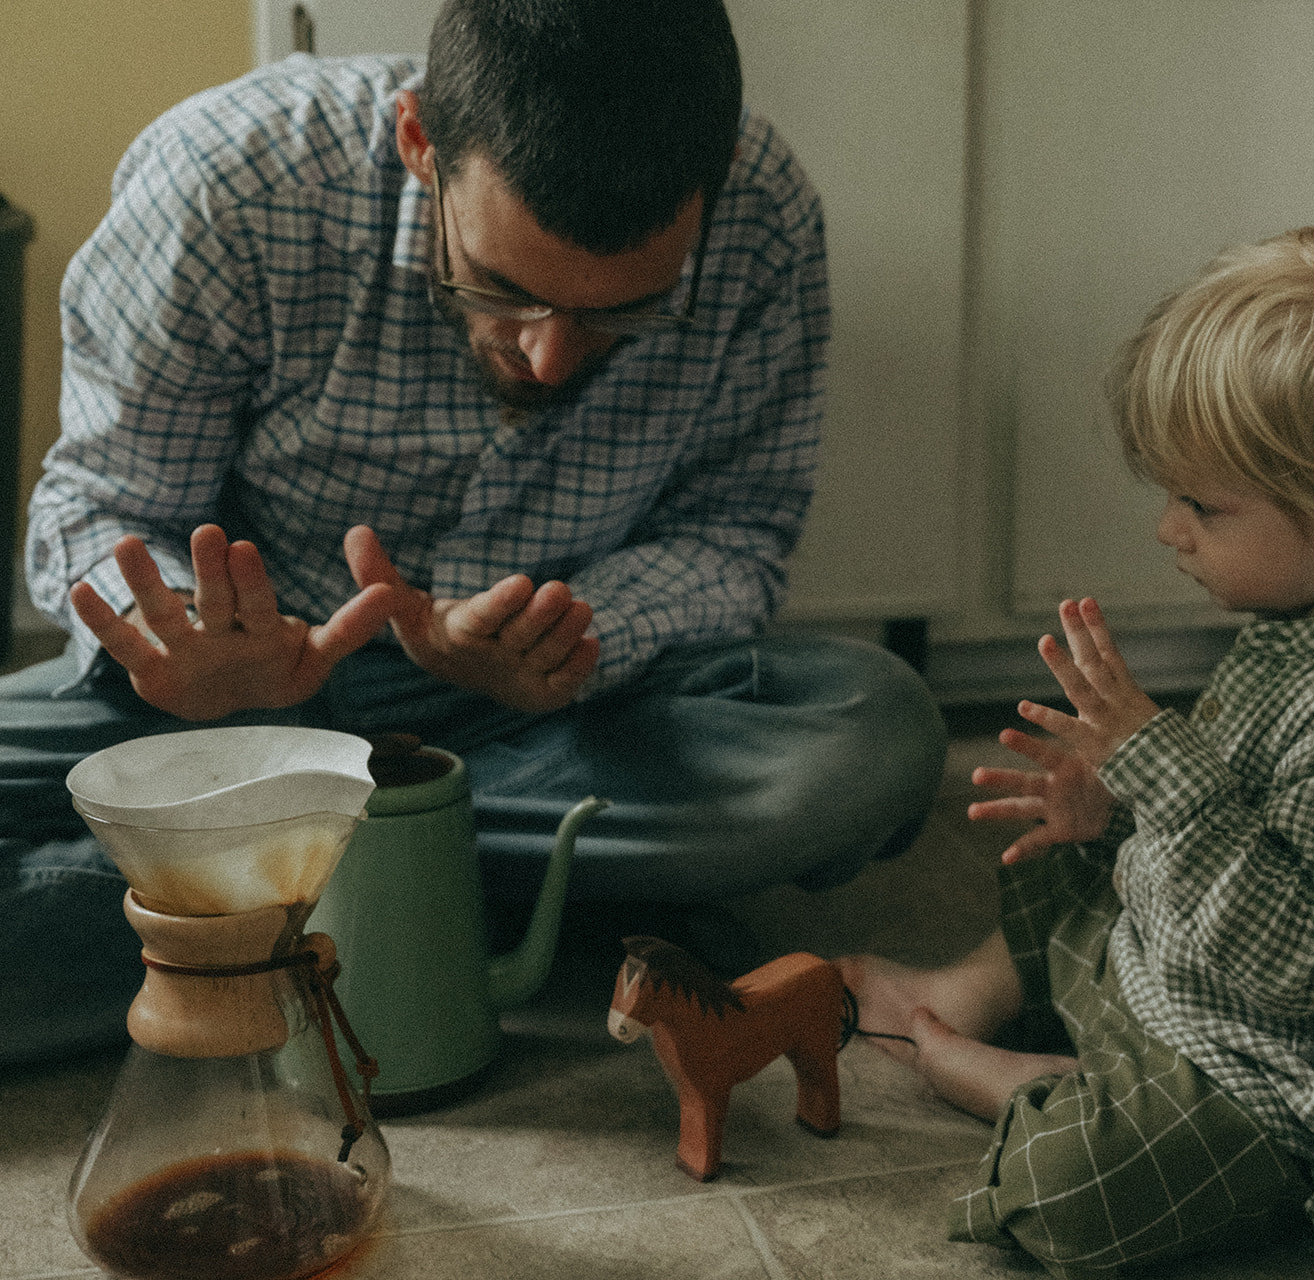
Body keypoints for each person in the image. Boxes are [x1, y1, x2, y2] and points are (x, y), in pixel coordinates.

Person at [0, 0, 946, 1066]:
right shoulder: (229, 183)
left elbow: (737, 529)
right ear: (419, 143)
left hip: (525, 729)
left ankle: (235, 906)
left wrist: (577, 638)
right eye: (501, 287)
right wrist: (177, 639)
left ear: (714, 176)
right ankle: (441, 902)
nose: (550, 359)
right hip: (226, 711)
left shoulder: (763, 214)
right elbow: (105, 501)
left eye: (619, 312)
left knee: (874, 735)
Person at [841, 226, 1314, 1273]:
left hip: (1298, 1088)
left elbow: (1294, 962)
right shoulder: (1307, 620)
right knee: (1071, 852)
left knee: (1076, 1189)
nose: (1169, 530)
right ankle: (970, 991)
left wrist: (1165, 768)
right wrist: (1106, 814)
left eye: (1202, 504)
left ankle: (1018, 1083)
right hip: (1198, 991)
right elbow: (1225, 842)